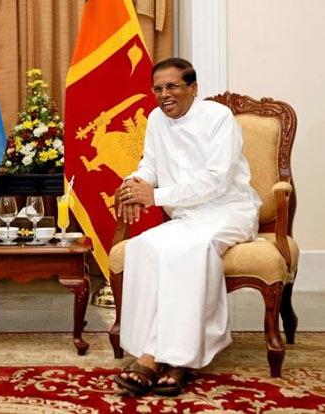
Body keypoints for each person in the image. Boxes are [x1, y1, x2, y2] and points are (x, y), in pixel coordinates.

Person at [113, 57, 261, 396]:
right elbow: (149, 165)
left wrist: (155, 195)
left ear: (193, 88)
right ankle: (150, 352)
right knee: (143, 247)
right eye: (158, 88)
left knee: (191, 250)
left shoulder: (218, 117)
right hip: (187, 216)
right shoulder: (154, 119)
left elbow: (217, 180)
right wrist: (134, 184)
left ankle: (180, 360)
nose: (164, 94)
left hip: (229, 210)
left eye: (173, 86)